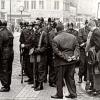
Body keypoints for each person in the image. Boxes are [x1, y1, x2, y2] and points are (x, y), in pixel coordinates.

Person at [51, 23, 79, 99]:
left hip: (60, 62)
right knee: (70, 78)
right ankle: (73, 94)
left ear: (57, 30)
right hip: (71, 61)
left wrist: (66, 57)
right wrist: (75, 55)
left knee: (59, 79)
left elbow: (57, 52)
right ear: (63, 28)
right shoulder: (73, 37)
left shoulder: (55, 39)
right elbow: (77, 47)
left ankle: (59, 94)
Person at [31, 21, 47, 91]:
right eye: (35, 25)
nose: (35, 26)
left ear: (40, 25)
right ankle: (36, 83)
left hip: (41, 55)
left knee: (40, 70)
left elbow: (45, 46)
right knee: (35, 69)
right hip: (35, 54)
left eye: (37, 25)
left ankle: (40, 85)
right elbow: (32, 42)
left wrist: (39, 51)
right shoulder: (35, 33)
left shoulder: (43, 33)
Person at [0, 20, 14, 92]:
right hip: (10, 53)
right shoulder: (9, 32)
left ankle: (5, 86)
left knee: (3, 70)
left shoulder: (1, 33)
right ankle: (8, 84)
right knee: (9, 70)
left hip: (4, 55)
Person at [47, 21, 57, 87]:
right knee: (52, 67)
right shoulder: (52, 33)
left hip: (53, 52)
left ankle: (53, 80)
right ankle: (51, 81)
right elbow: (51, 43)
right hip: (52, 52)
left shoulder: (53, 33)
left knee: (53, 67)